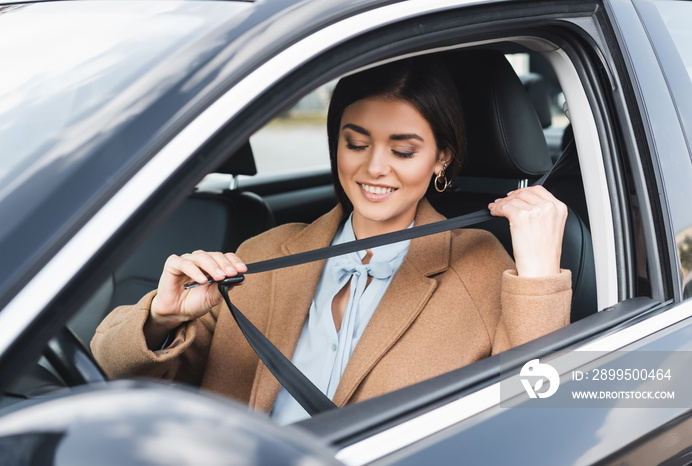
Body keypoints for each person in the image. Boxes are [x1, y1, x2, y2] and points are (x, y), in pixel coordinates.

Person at [91, 56, 571, 424]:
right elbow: (115, 374)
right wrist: (158, 319)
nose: (373, 167)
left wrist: (540, 278)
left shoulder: (482, 266)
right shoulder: (262, 256)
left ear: (442, 158)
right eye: (355, 144)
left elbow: (538, 412)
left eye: (403, 150)